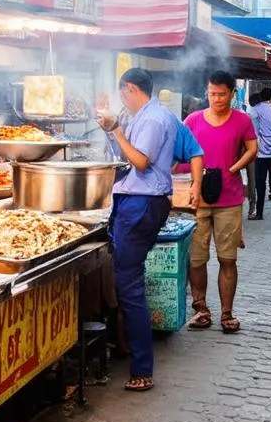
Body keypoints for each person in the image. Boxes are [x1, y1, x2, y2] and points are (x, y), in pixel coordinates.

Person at [99, 68, 177, 392]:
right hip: (137, 202)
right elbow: (125, 156)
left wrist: (116, 129)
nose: (122, 102)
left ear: (130, 89)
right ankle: (129, 351)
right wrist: (111, 130)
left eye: (122, 95)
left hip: (143, 203)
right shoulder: (145, 116)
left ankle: (142, 369)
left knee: (129, 287)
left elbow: (141, 162)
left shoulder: (154, 119)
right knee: (127, 282)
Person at [184, 71, 257, 334]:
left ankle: (227, 314)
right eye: (212, 93)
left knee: (228, 259)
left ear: (232, 93)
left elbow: (252, 148)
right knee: (196, 259)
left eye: (222, 94)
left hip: (230, 199)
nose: (216, 98)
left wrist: (234, 168)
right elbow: (180, 150)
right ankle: (201, 309)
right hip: (198, 200)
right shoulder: (192, 120)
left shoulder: (242, 120)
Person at [249, 87, 271, 219]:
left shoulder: (255, 110)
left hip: (260, 154)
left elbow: (254, 133)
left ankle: (259, 213)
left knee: (259, 184)